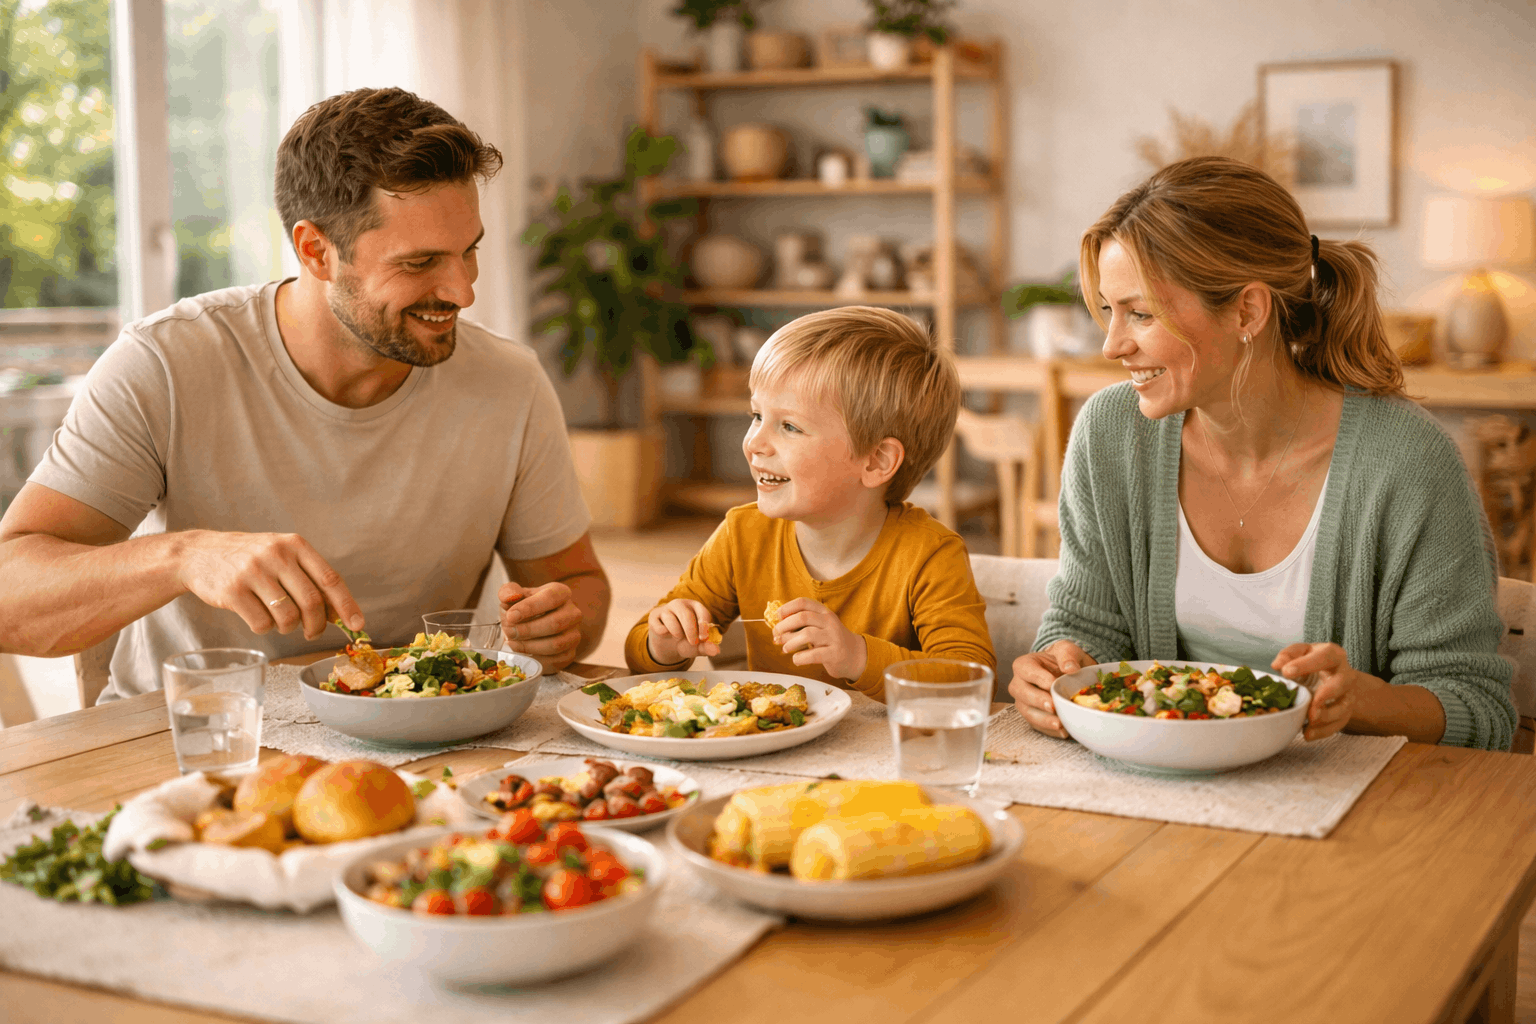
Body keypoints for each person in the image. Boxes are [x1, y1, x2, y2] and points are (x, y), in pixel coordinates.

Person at [0, 87, 609, 701]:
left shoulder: (509, 383)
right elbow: (9, 599)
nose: (462, 292)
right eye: (420, 262)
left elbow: (578, 587)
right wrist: (184, 557)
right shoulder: (164, 364)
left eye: (468, 252)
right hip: (190, 743)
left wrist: (559, 627)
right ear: (315, 251)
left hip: (416, 745)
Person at [1008, 157, 1515, 750]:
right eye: (1108, 309)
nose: (1112, 344)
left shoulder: (1406, 462)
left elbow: (1479, 710)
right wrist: (1056, 670)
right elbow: (1086, 629)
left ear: (1247, 311)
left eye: (1140, 313)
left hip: (1356, 815)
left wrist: (1365, 701)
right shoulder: (1109, 434)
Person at [624, 306, 994, 700]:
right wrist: (662, 646)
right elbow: (639, 650)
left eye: (789, 426)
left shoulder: (930, 554)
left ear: (875, 461)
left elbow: (972, 681)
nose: (754, 443)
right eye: (756, 415)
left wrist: (857, 655)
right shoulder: (742, 535)